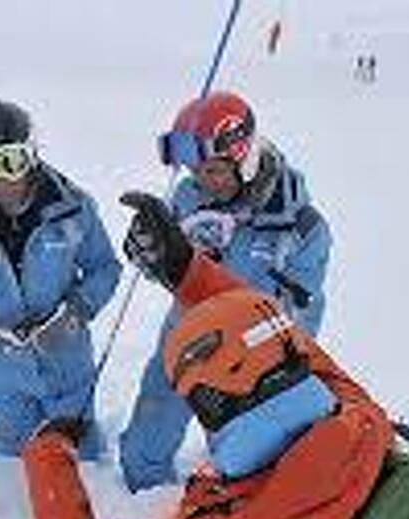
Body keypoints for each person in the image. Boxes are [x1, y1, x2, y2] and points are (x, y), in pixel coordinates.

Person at [22, 191, 393, 519]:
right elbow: (276, 333)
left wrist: (47, 453)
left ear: (213, 406)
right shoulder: (362, 417)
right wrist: (185, 269)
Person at [119, 91, 334, 492]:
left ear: (245, 157)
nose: (203, 181)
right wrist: (153, 256)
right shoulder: (189, 197)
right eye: (195, 171)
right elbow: (173, 267)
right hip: (183, 339)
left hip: (250, 365)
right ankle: (141, 497)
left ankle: (221, 513)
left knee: (244, 462)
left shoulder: (302, 229)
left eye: (214, 170)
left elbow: (295, 319)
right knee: (148, 434)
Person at [0, 100, 122, 459]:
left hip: (68, 369)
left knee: (81, 463)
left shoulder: (73, 209)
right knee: (11, 471)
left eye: (9, 162)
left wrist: (75, 313)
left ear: (31, 155)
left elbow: (104, 269)